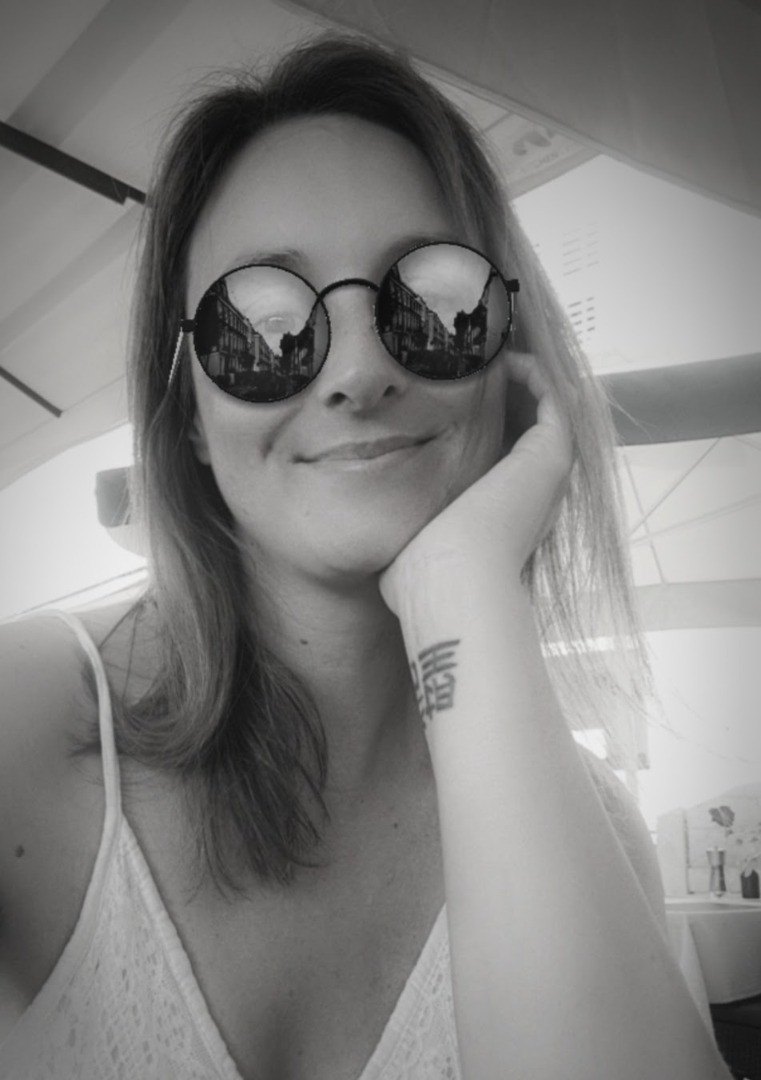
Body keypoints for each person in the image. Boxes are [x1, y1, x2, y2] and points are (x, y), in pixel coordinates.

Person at [0, 34, 732, 1080]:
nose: (356, 369)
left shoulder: (592, 832)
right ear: (191, 415)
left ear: (509, 360)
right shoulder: (26, 725)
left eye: (434, 305)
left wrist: (463, 592)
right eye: (261, 325)